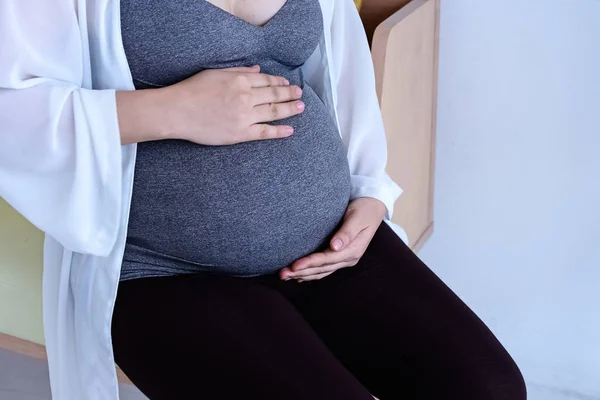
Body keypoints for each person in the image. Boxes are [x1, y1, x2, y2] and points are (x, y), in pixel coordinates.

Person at [0, 0, 526, 399]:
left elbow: (340, 74)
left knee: (490, 388)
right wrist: (170, 111)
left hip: (328, 247)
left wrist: (371, 194)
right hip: (163, 272)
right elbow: (10, 114)